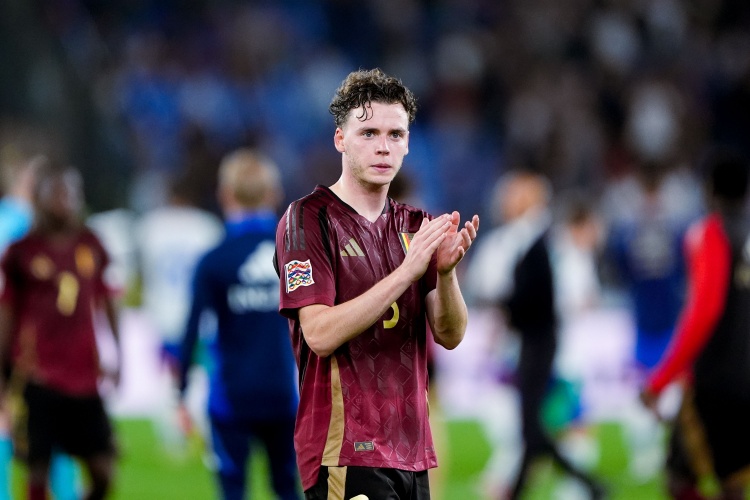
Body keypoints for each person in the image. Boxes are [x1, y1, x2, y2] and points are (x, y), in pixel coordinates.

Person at [274, 68, 479, 499]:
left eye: (395, 134)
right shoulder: (308, 220)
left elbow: (451, 334)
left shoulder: (417, 225)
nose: (383, 146)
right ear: (340, 139)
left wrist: (445, 274)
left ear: (407, 143)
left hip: (410, 451)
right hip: (345, 449)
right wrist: (406, 272)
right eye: (368, 133)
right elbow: (319, 334)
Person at [465, 170, 605, 499]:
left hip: (531, 350)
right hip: (549, 349)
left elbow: (490, 292)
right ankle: (576, 485)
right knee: (547, 426)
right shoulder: (555, 240)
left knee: (534, 426)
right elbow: (583, 296)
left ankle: (554, 483)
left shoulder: (511, 243)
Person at [176, 148, 301, 500]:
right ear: (274, 194)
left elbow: (191, 330)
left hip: (231, 398)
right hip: (283, 394)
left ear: (224, 195)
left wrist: (181, 393)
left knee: (233, 490)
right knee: (287, 488)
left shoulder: (214, 260)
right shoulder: (295, 258)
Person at [0, 164, 121, 500]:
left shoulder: (91, 244)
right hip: (36, 374)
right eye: (57, 192)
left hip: (84, 375)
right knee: (37, 467)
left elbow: (108, 300)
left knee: (103, 469)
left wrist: (118, 352)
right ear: (39, 198)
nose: (65, 200)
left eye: (71, 192)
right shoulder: (21, 250)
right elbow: (7, 313)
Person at [641, 149, 750, 500]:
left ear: (710, 190)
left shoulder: (710, 233)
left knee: (680, 478)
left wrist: (660, 380)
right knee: (733, 481)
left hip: (712, 384)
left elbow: (705, 311)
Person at [133, 175, 224, 451]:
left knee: (172, 374)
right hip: (199, 314)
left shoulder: (151, 226)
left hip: (164, 314)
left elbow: (143, 270)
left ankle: (174, 436)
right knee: (205, 372)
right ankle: (207, 430)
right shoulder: (206, 226)